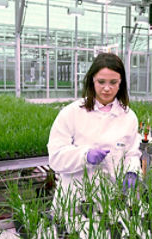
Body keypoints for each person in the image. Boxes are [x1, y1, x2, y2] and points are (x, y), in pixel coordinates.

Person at [47, 53, 141, 202]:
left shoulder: (128, 117)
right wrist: (85, 156)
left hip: (112, 195)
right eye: (101, 82)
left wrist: (132, 171)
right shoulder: (72, 112)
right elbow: (56, 157)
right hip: (76, 196)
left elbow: (131, 153)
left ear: (120, 82)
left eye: (113, 82)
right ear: (92, 80)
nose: (107, 88)